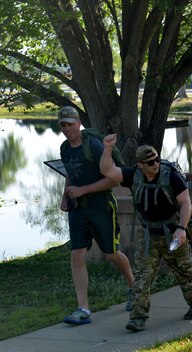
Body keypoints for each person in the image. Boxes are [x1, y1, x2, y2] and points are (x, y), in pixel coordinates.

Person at [99, 133, 192, 332]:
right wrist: (107, 149)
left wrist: (182, 229)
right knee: (141, 277)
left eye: (156, 159)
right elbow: (107, 170)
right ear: (140, 164)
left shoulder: (171, 177)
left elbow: (186, 204)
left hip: (172, 233)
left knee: (185, 272)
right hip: (149, 235)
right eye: (150, 162)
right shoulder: (133, 175)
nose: (155, 164)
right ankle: (138, 317)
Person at [58, 106, 135, 325]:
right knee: (77, 254)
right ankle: (83, 309)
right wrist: (66, 195)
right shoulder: (64, 148)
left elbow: (114, 179)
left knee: (111, 254)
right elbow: (70, 174)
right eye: (63, 125)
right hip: (77, 209)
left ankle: (133, 286)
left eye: (70, 124)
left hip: (101, 206)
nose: (67, 129)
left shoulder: (94, 145)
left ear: (78, 123)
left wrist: (84, 190)